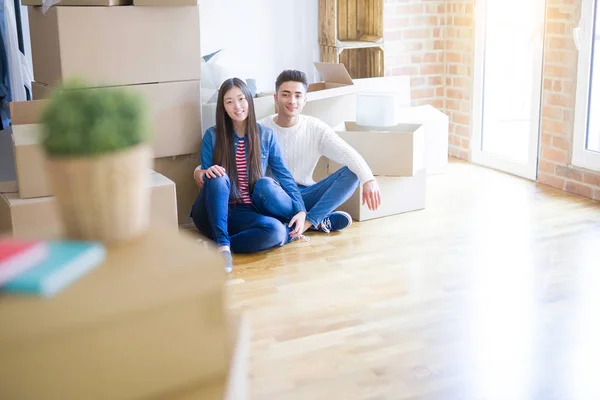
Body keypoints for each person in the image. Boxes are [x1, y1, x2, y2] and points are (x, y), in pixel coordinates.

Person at [190, 78, 308, 273]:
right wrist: (204, 173)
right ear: (223, 107)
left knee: (276, 230)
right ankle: (223, 245)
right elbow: (205, 183)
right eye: (229, 101)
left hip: (247, 212)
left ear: (249, 101)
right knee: (218, 177)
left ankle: (220, 247)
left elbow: (284, 176)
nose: (237, 106)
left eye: (241, 99)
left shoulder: (266, 136)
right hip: (213, 213)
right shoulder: (212, 136)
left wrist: (302, 210)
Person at [253, 69, 382, 235]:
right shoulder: (259, 129)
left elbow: (348, 154)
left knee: (354, 173)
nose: (292, 100)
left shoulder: (315, 128)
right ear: (276, 98)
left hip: (306, 194)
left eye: (298, 95)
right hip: (275, 197)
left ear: (305, 100)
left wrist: (369, 180)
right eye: (286, 94)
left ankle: (307, 223)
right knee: (264, 186)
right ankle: (318, 220)